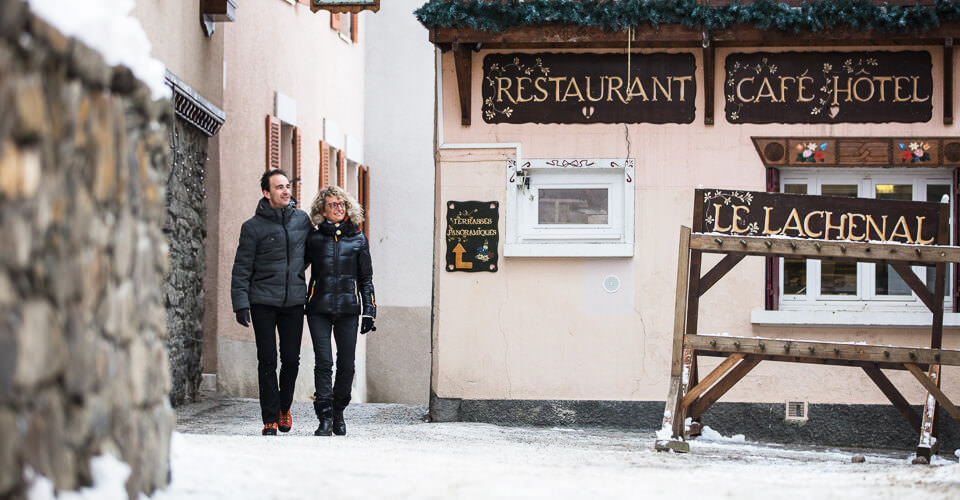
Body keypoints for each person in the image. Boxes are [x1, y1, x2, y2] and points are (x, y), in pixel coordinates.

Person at [231, 170, 312, 436]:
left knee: (291, 359)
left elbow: (311, 252)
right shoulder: (252, 227)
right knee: (267, 359)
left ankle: (283, 408)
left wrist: (297, 274)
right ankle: (269, 418)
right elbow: (242, 267)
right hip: (262, 301)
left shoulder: (302, 220)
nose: (286, 191)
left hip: (293, 302)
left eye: (287, 186)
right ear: (266, 193)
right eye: (279, 187)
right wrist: (240, 303)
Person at [305, 186, 376, 436]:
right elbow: (295, 267)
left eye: (342, 204)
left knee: (347, 364)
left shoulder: (358, 239)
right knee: (324, 362)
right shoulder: (313, 238)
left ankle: (338, 412)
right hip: (318, 308)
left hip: (348, 309)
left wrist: (370, 311)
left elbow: (366, 278)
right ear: (322, 210)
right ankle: (323, 417)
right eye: (333, 205)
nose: (338, 209)